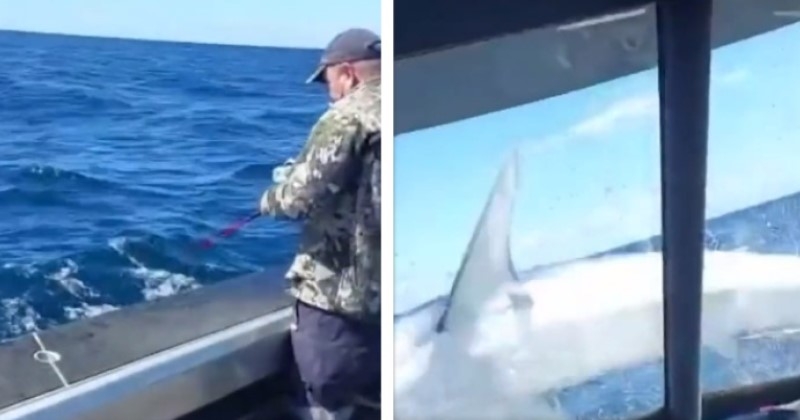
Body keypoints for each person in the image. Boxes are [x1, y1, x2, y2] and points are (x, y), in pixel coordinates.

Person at [258, 27, 381, 420]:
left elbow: (297, 199)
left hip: (340, 297)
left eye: (329, 80)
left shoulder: (347, 118)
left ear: (347, 72)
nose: (330, 92)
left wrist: (270, 199)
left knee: (325, 401)